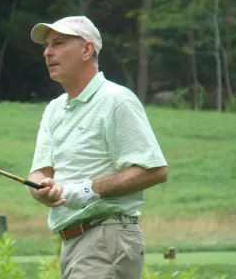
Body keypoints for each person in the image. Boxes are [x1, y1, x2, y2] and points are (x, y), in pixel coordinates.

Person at [27, 15, 168, 279]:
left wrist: (89, 189)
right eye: (46, 46)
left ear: (87, 50)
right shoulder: (54, 109)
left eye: (58, 43)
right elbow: (39, 173)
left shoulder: (116, 100)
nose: (47, 52)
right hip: (70, 243)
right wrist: (41, 190)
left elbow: (154, 170)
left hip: (107, 237)